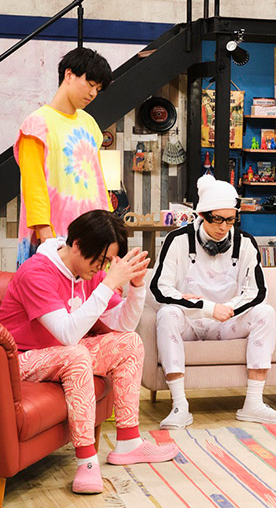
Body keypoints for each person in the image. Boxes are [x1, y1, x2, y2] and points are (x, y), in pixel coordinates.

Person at [0, 210, 179, 495]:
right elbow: (68, 334)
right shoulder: (37, 272)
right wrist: (108, 284)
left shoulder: (87, 272)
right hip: (20, 360)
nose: (102, 267)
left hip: (60, 353)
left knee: (129, 343)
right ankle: (86, 461)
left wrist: (136, 287)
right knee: (76, 354)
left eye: (108, 261)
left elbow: (123, 325)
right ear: (77, 244)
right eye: (100, 259)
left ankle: (128, 441)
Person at [150, 175, 276, 429]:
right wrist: (206, 307)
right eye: (217, 219)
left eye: (230, 220)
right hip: (189, 322)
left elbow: (258, 292)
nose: (223, 227)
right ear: (202, 215)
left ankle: (254, 403)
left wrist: (228, 309)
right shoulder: (177, 240)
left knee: (265, 312)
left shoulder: (245, 243)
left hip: (227, 321)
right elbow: (159, 288)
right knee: (166, 314)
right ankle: (180, 406)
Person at [14, 47, 114, 265]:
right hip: (53, 236)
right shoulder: (37, 123)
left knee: (95, 286)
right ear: (69, 75)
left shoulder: (89, 124)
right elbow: (33, 185)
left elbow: (99, 181)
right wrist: (45, 234)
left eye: (98, 89)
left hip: (92, 232)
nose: (93, 93)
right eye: (90, 84)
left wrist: (108, 224)